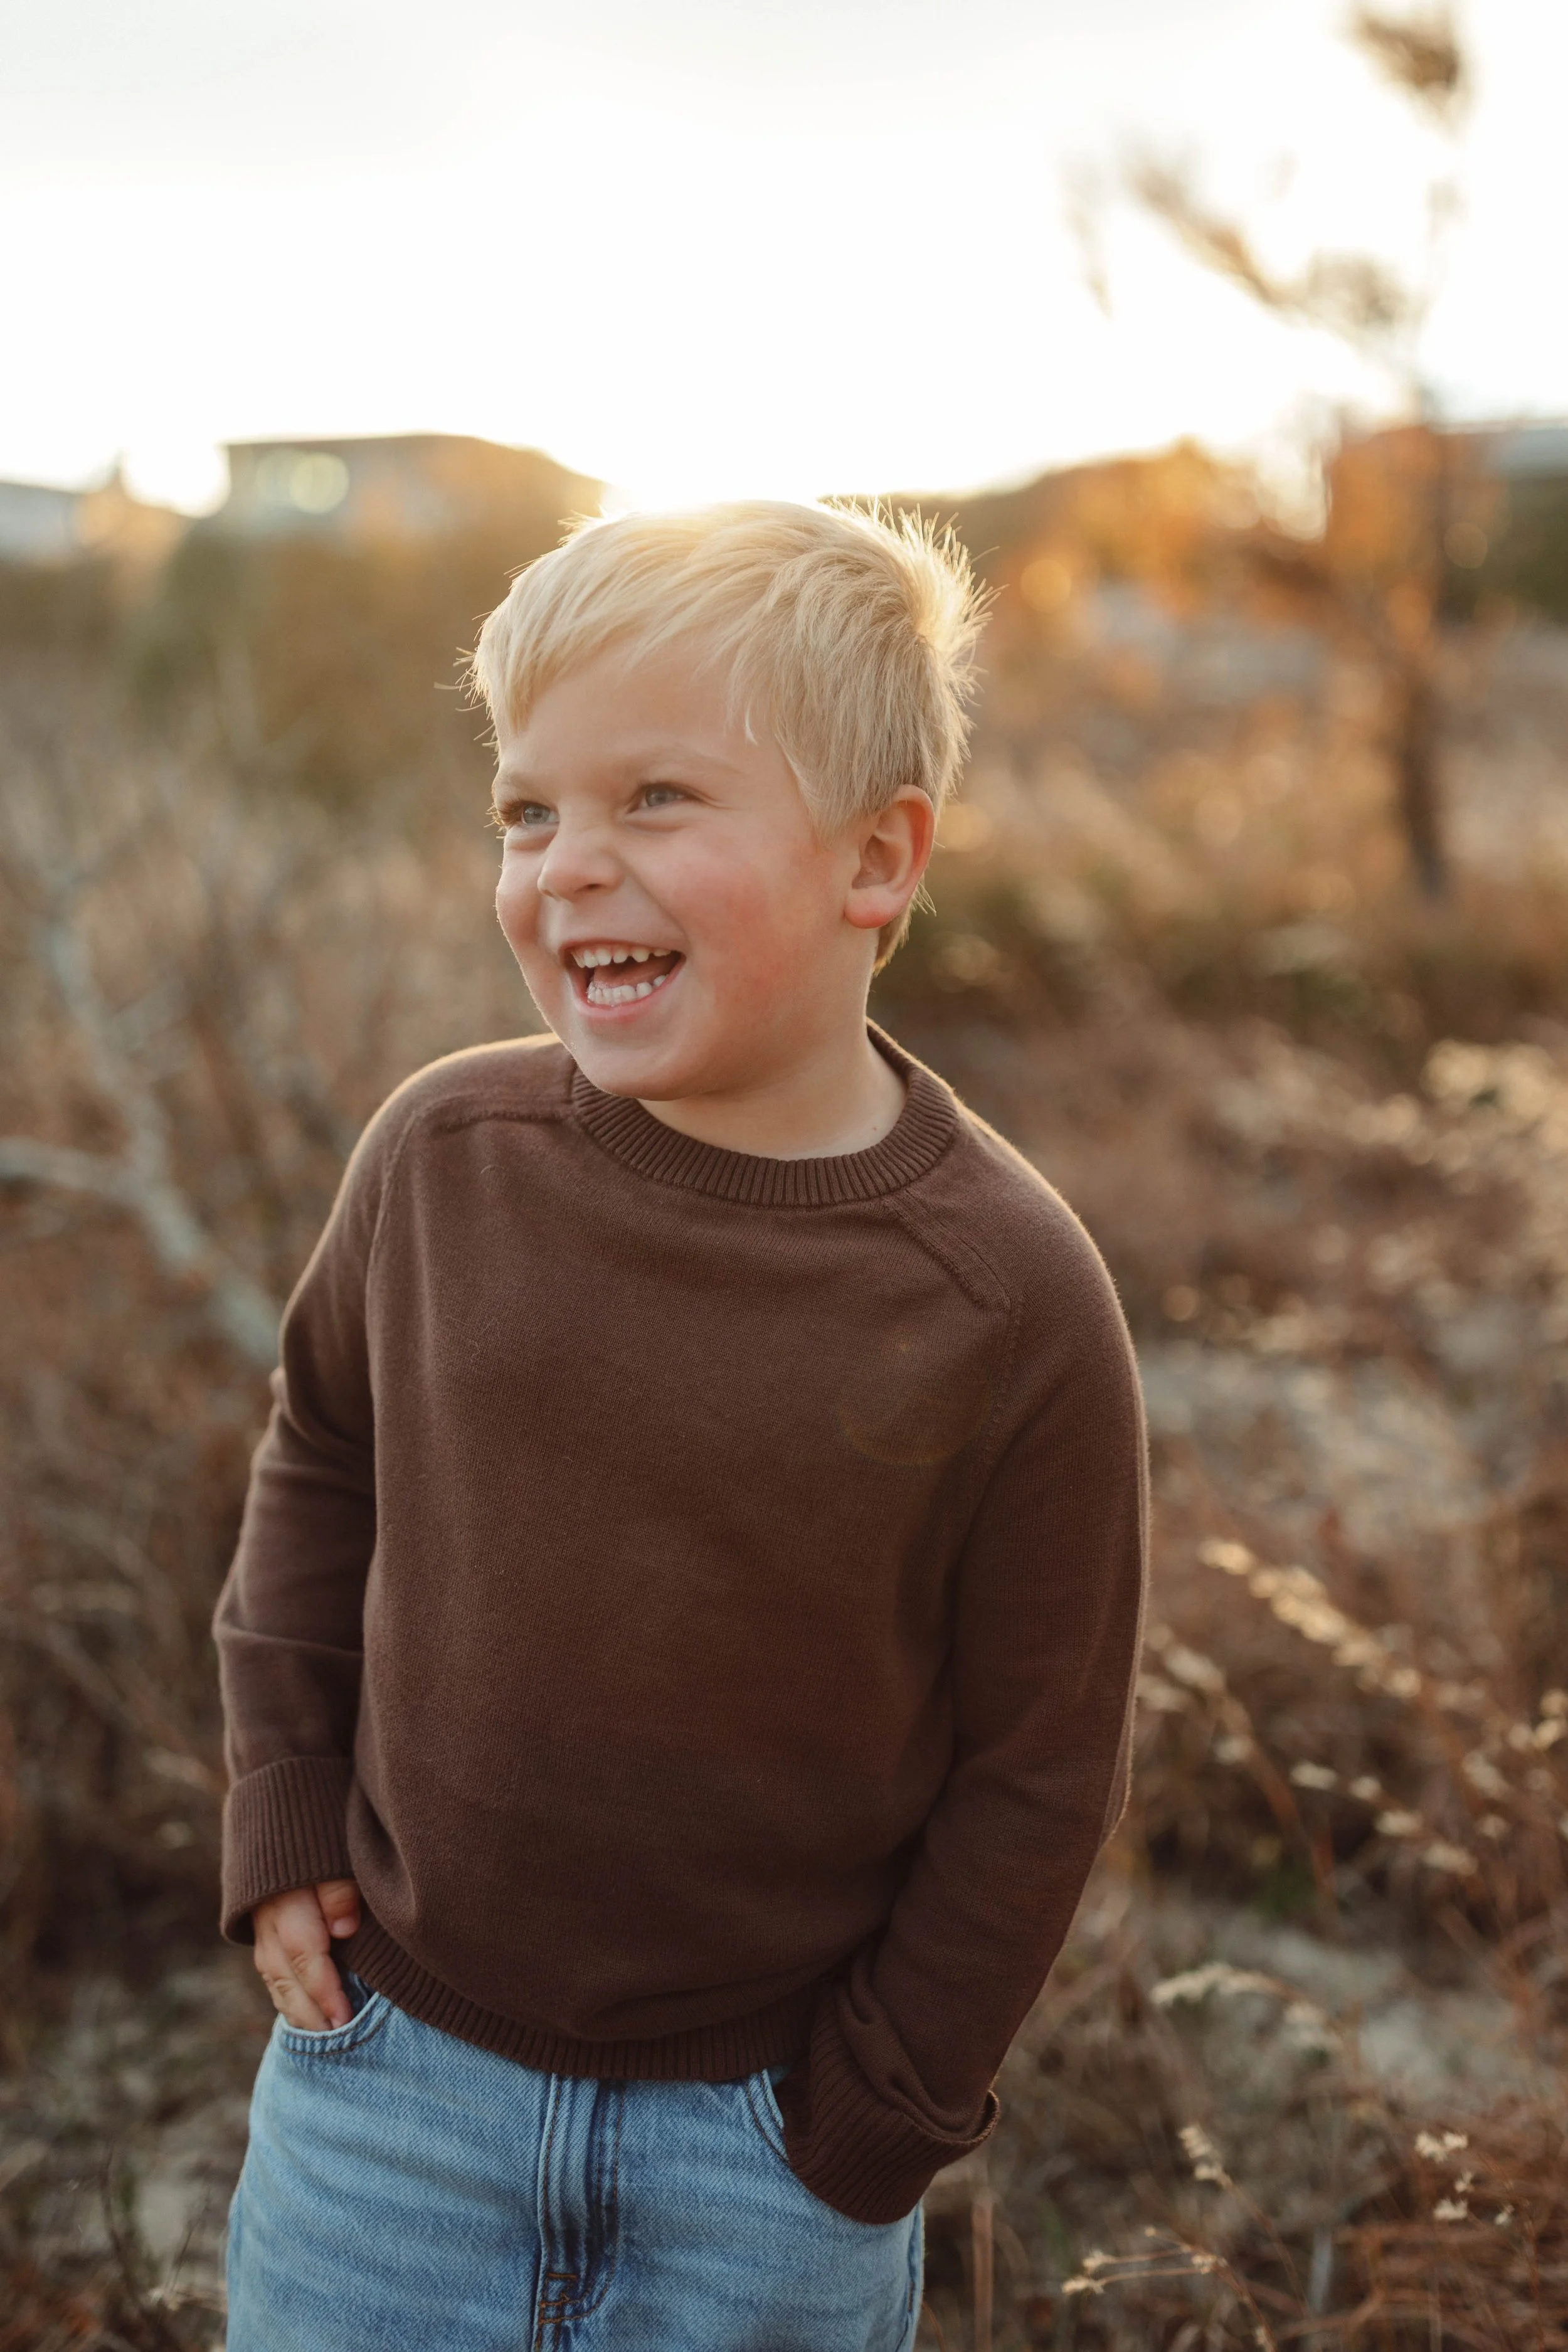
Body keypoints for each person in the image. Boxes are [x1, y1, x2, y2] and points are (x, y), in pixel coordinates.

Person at [216, 500, 1147, 2351]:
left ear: (874, 859)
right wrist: (283, 1801)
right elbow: (321, 1451)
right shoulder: (441, 1162)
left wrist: (882, 2105)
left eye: (654, 800)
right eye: (527, 808)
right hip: (389, 2089)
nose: (568, 864)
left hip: (768, 2145)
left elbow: (1038, 1760)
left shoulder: (1005, 1298)